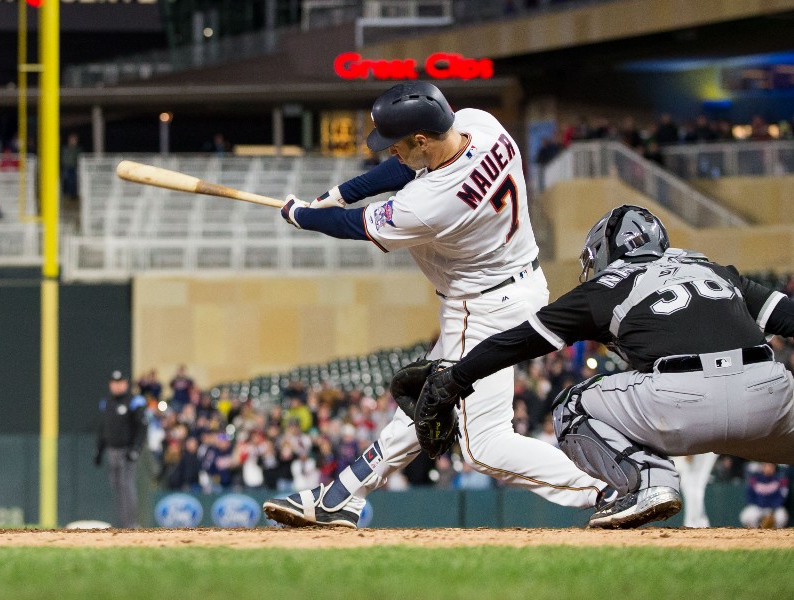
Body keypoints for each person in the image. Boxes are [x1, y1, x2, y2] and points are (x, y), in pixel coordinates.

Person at [263, 81, 607, 528]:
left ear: (421, 138)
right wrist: (342, 190)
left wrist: (302, 216)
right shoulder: (483, 127)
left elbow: (356, 226)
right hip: (519, 284)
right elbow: (405, 171)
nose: (392, 153)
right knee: (426, 404)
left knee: (484, 446)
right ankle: (342, 495)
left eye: (399, 144)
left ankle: (607, 488)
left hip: (480, 309)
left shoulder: (431, 204)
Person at [417, 204, 794, 528]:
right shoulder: (715, 270)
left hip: (680, 402)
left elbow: (519, 341)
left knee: (572, 406)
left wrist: (456, 377)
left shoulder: (608, 286)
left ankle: (652, 480)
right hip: (767, 396)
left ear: (606, 249)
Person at [94, 370, 148, 528]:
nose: (117, 386)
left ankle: (131, 523)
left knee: (127, 485)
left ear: (126, 383)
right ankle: (121, 523)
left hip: (127, 451)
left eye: (120, 382)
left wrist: (136, 449)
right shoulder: (107, 403)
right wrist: (99, 449)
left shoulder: (134, 402)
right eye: (114, 383)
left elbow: (142, 427)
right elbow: (103, 428)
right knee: (116, 486)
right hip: (112, 450)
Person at [740, 462, 789, 529]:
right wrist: (758, 504)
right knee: (746, 516)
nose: (768, 468)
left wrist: (773, 509)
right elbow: (749, 495)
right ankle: (754, 533)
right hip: (758, 507)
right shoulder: (755, 478)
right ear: (762, 467)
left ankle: (776, 534)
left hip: (774, 508)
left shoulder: (781, 479)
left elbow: (782, 496)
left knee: (781, 516)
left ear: (775, 467)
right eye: (766, 466)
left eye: (771, 466)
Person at [60, 132, 82, 202]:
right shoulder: (65, 148)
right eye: (72, 139)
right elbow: (63, 157)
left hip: (75, 168)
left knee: (75, 182)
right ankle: (68, 195)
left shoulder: (78, 149)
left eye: (75, 140)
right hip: (67, 167)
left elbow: (79, 158)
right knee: (67, 181)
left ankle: (74, 196)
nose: (74, 141)